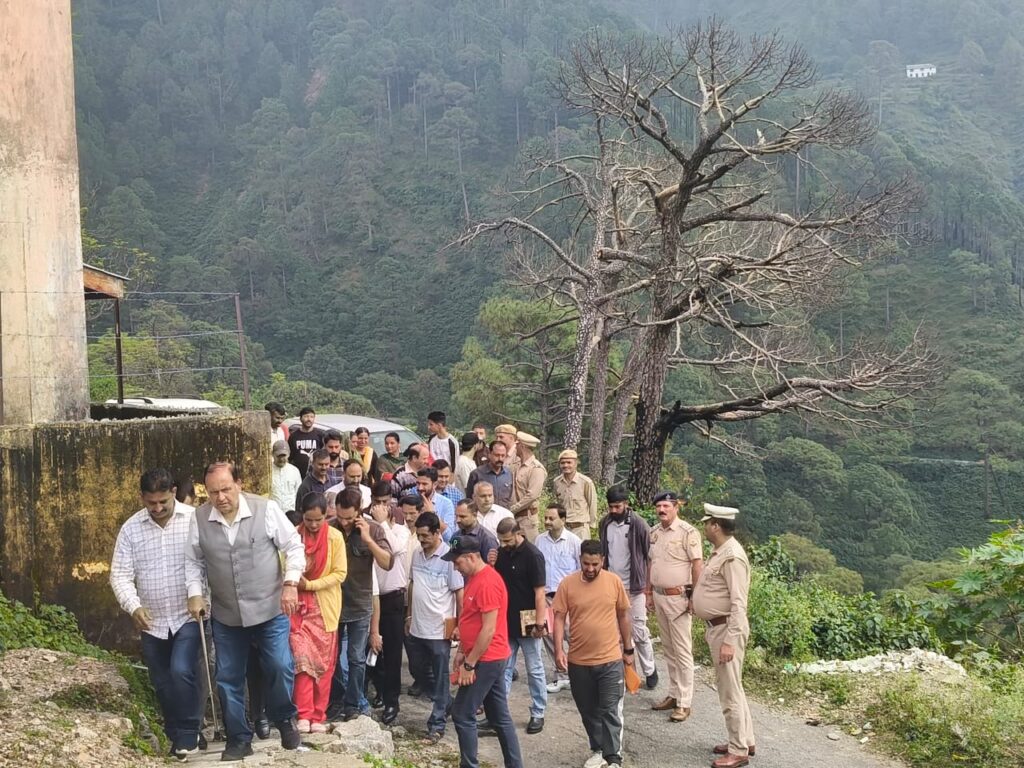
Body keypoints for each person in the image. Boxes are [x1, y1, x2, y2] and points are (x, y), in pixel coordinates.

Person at [184, 461, 306, 761]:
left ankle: (284, 718)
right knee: (227, 677)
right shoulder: (200, 519)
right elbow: (193, 561)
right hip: (227, 614)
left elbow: (293, 546)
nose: (221, 497)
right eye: (213, 492)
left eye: (226, 489)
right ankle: (238, 738)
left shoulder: (266, 509)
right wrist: (195, 594)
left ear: (239, 483)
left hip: (269, 607)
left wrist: (291, 583)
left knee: (279, 665)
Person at [110, 468, 203, 760]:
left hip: (188, 615)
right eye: (151, 503)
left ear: (174, 492)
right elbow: (119, 574)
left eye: (163, 501)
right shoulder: (131, 529)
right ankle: (177, 735)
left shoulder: (194, 520)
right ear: (142, 498)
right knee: (162, 681)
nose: (158, 508)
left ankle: (189, 731)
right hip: (152, 620)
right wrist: (133, 605)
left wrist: (202, 596)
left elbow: (206, 563)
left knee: (182, 670)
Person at [552, 539, 635, 768]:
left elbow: (623, 616)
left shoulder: (614, 582)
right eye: (586, 563)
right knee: (588, 710)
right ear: (580, 559)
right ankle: (598, 750)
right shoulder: (567, 584)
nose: (590, 569)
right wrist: (559, 650)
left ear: (603, 561)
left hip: (610, 659)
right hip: (578, 661)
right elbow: (558, 618)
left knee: (609, 709)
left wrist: (628, 649)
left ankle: (613, 757)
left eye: (595, 564)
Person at [445, 534, 524, 768]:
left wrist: (470, 664)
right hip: (486, 656)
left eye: (457, 562)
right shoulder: (474, 577)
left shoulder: (487, 582)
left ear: (471, 557)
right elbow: (472, 619)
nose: (455, 567)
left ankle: (469, 765)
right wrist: (462, 649)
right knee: (499, 717)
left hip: (487, 658)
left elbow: (488, 629)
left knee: (462, 713)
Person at [692, 504, 755, 768]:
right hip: (717, 627)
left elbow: (739, 603)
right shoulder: (721, 552)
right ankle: (744, 739)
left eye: (707, 523)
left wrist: (729, 641)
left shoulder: (732, 557)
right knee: (733, 686)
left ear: (716, 526)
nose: (705, 527)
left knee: (729, 691)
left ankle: (738, 750)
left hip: (726, 629)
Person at [327, 487, 394, 722]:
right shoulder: (329, 527)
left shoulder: (373, 529)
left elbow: (387, 562)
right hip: (333, 604)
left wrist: (367, 540)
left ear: (359, 511)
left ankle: (353, 703)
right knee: (332, 657)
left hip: (360, 604)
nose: (344, 522)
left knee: (356, 657)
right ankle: (336, 700)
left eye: (349, 518)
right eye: (340, 516)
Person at [290, 493, 348, 733]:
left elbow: (340, 573)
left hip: (325, 610)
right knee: (302, 663)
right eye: (309, 520)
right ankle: (303, 714)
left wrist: (311, 585)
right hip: (298, 610)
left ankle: (318, 715)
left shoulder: (335, 537)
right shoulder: (293, 536)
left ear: (326, 516)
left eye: (318, 520)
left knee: (324, 667)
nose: (313, 525)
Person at [406, 511, 464, 743]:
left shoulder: (449, 558)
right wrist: (409, 615)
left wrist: (459, 624)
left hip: (440, 629)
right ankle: (447, 703)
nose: (421, 540)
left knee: (440, 677)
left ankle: (437, 724)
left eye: (425, 536)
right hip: (417, 626)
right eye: (419, 536)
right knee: (418, 670)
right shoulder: (417, 554)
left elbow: (459, 592)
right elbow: (413, 584)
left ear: (437, 533)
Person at [646, 490, 703, 723]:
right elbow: (652, 563)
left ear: (675, 508)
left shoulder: (688, 532)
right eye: (659, 507)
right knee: (668, 649)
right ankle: (673, 693)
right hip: (659, 595)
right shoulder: (654, 532)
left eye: (666, 506)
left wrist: (694, 597)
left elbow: (697, 565)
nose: (661, 510)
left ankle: (684, 702)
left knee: (682, 651)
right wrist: (648, 592)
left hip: (679, 598)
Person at [598, 485, 658, 690]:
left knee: (639, 630)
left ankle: (650, 669)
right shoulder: (605, 523)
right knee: (615, 632)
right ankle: (624, 674)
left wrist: (648, 589)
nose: (614, 510)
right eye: (611, 507)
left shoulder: (639, 524)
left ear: (626, 504)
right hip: (612, 586)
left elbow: (649, 557)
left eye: (617, 506)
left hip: (634, 586)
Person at [494, 518, 548, 734]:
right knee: (503, 669)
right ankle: (499, 714)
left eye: (507, 540)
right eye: (501, 540)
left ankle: (538, 712)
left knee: (534, 669)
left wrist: (540, 623)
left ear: (518, 533)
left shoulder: (533, 555)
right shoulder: (502, 553)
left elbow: (540, 592)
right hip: (507, 620)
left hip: (529, 619)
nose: (504, 544)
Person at [368, 487, 410, 725]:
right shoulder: (368, 526)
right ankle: (380, 690)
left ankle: (392, 701)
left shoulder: (400, 531)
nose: (380, 506)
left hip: (393, 597)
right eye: (377, 501)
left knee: (393, 653)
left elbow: (393, 551)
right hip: (372, 596)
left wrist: (383, 523)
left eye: (385, 502)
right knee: (372, 649)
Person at [534, 502, 582, 694]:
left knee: (573, 635)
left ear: (563, 519)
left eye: (551, 518)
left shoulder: (574, 542)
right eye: (545, 518)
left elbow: (581, 569)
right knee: (549, 636)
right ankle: (561, 675)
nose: (547, 521)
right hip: (546, 596)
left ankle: (581, 673)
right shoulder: (539, 541)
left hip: (567, 597)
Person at [552, 449, 598, 540]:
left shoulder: (585, 482)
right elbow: (556, 505)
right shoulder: (557, 482)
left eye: (569, 462)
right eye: (563, 463)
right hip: (564, 528)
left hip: (581, 529)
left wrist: (592, 525)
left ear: (576, 463)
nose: (566, 465)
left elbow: (592, 504)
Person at [509, 431, 546, 543]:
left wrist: (513, 509)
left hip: (527, 520)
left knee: (530, 548)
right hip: (514, 518)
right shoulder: (517, 465)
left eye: (517, 444)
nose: (515, 447)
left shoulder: (536, 468)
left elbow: (532, 495)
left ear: (522, 446)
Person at [466, 441, 513, 506]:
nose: (500, 459)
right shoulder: (477, 474)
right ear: (489, 455)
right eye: (497, 455)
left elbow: (510, 497)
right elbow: (470, 499)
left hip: (504, 511)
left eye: (503, 455)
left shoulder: (508, 474)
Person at [416, 466, 456, 542]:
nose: (420, 488)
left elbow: (449, 537)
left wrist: (432, 514)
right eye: (418, 483)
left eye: (424, 484)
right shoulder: (411, 500)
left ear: (434, 485)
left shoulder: (446, 503)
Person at [271, 440, 303, 522]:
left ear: (288, 454)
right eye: (279, 456)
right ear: (273, 454)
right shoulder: (267, 472)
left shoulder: (294, 471)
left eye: (284, 456)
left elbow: (299, 494)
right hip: (273, 515)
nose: (281, 459)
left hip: (291, 516)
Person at [288, 407, 325, 477]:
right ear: (300, 419)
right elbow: (290, 456)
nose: (309, 419)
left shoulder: (320, 435)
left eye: (311, 417)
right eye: (306, 416)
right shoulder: (294, 436)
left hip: (316, 474)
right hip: (298, 474)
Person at [295, 448, 332, 514]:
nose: (324, 467)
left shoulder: (332, 481)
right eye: (320, 464)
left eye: (326, 464)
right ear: (312, 464)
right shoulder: (305, 486)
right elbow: (299, 511)